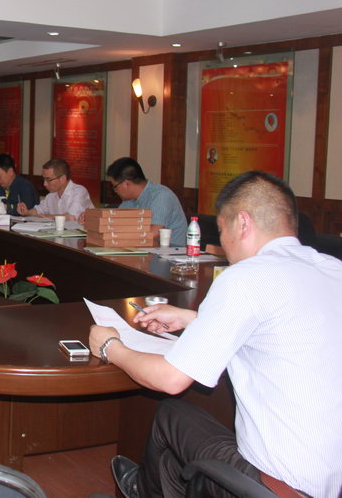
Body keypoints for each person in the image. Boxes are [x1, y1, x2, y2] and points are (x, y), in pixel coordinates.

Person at [88, 171, 342, 498]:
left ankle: (140, 490)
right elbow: (285, 327)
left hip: (276, 487)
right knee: (179, 452)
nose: (223, 244)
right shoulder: (333, 269)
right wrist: (192, 318)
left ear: (242, 223)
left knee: (171, 415)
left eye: (222, 231)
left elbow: (170, 380)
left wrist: (110, 346)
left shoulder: (246, 277)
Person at [105, 157, 187, 246]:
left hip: (170, 252)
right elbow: (115, 226)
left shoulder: (161, 196)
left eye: (115, 186)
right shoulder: (128, 201)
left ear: (126, 183)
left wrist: (117, 236)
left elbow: (154, 234)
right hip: (141, 249)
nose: (115, 191)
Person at [16, 158, 94, 220]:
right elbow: (38, 210)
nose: (44, 184)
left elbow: (71, 217)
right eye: (44, 179)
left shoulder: (79, 191)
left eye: (48, 179)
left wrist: (47, 216)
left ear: (62, 179)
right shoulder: (51, 196)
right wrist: (27, 212)